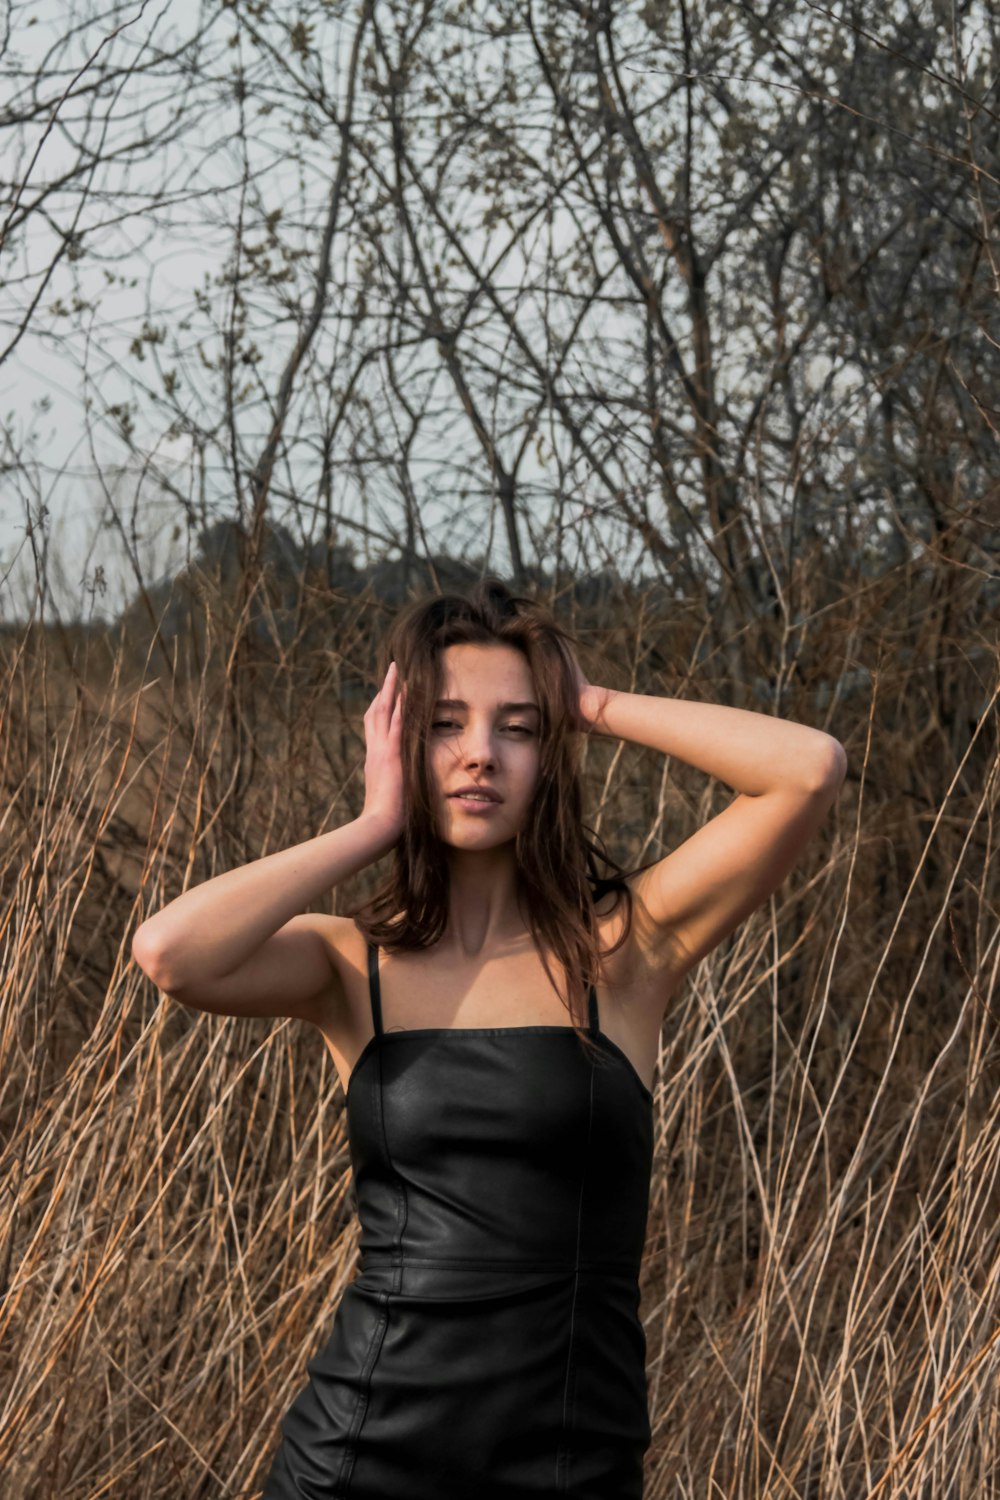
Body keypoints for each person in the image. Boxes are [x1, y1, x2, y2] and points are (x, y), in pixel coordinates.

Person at [131, 577, 846, 1498]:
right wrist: (374, 825)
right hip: (358, 1454)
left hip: (566, 1459)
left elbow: (807, 768)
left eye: (517, 727)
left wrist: (587, 701)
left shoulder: (627, 951)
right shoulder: (353, 966)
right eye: (445, 725)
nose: (481, 756)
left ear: (553, 753)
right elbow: (169, 953)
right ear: (401, 743)